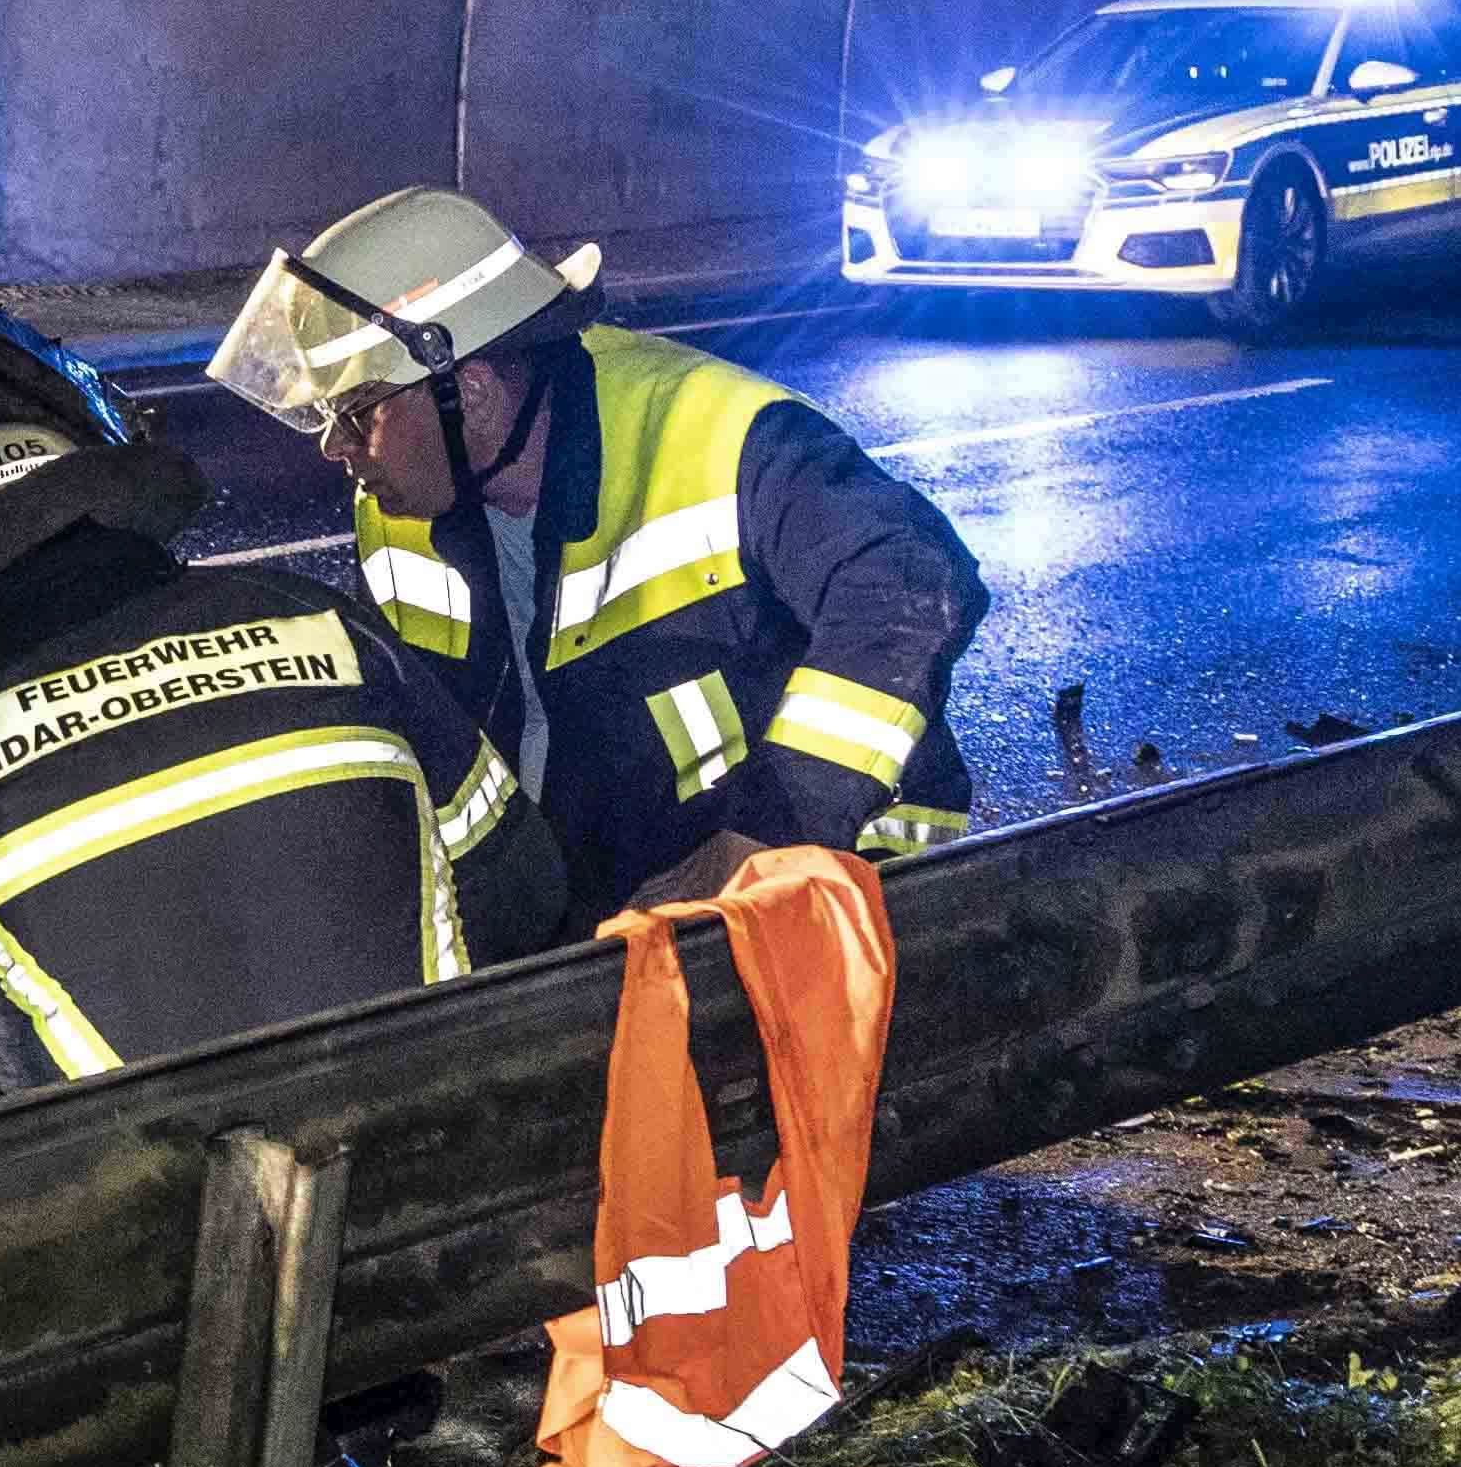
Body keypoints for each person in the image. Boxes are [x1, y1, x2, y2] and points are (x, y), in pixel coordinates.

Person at [205, 185, 986, 924]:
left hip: (836, 890)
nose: (335, 448)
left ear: (469, 391)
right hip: (609, 902)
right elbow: (422, 735)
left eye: (355, 414)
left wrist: (770, 832)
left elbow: (912, 584)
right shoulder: (400, 510)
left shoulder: (714, 435)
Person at [0, 419, 572, 1117]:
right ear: (114, 519)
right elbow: (524, 891)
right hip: (434, 1133)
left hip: (152, 1198)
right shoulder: (321, 618)